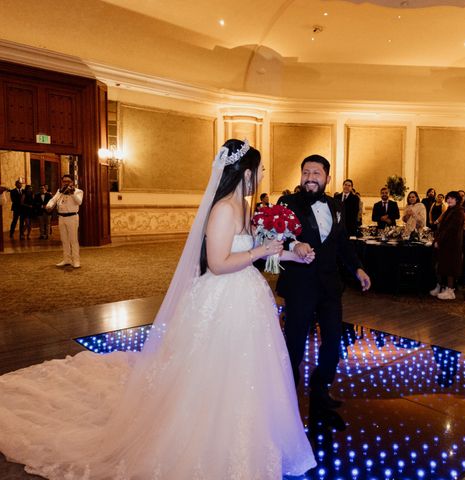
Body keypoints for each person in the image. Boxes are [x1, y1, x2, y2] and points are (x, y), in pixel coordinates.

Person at [0, 139, 317, 479]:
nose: (264, 173)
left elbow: (257, 249)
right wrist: (259, 252)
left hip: (246, 298)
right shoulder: (223, 208)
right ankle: (203, 441)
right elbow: (218, 263)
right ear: (246, 172)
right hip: (222, 299)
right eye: (260, 168)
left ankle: (243, 438)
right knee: (213, 373)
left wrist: (290, 253)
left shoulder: (244, 204)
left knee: (247, 372)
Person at [277, 154, 371, 413]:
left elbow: (342, 245)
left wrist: (358, 269)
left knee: (332, 342)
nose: (310, 178)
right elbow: (276, 237)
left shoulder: (337, 207)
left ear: (327, 178)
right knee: (294, 343)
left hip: (330, 287)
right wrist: (294, 245)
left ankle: (321, 389)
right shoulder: (287, 202)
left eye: (316, 173)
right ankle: (287, 393)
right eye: (306, 172)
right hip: (300, 286)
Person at [430, 191, 465, 300]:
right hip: (446, 243)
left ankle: (450, 291)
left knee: (449, 267)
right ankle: (441, 286)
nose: (449, 200)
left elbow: (450, 230)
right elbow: (442, 227)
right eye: (448, 198)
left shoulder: (459, 212)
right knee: (440, 265)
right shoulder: (450, 210)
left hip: (452, 244)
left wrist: (439, 241)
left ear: (457, 200)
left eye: (452, 198)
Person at [47, 175, 84, 268]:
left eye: (68, 181)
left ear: (72, 182)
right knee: (64, 240)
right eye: (64, 181)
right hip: (61, 218)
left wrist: (72, 193)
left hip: (72, 217)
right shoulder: (60, 191)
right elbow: (53, 199)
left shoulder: (78, 191)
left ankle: (76, 260)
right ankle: (67, 259)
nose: (66, 183)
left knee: (73, 240)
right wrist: (49, 205)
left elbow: (79, 202)